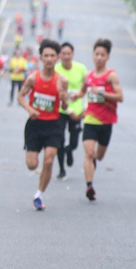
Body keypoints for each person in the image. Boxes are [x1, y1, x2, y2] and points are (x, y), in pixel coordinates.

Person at [18, 40, 68, 211]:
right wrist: (29, 109)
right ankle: (39, 187)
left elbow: (65, 106)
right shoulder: (33, 79)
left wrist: (65, 98)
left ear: (57, 58)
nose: (49, 59)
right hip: (35, 124)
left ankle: (39, 194)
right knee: (32, 165)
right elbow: (20, 97)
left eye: (52, 56)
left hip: (54, 125)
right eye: (46, 55)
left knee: (49, 160)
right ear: (40, 57)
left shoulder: (62, 80)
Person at [80, 38, 123, 201]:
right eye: (96, 54)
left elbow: (120, 97)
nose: (98, 58)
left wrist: (101, 93)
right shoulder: (87, 76)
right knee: (89, 153)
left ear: (107, 57)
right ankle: (89, 186)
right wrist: (72, 97)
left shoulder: (111, 76)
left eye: (102, 55)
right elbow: (82, 92)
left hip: (107, 120)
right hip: (91, 118)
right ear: (93, 56)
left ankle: (92, 164)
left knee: (99, 155)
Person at [54, 41, 87, 180]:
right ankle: (62, 169)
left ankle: (70, 150)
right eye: (63, 53)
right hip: (61, 110)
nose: (66, 56)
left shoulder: (81, 68)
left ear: (72, 54)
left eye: (68, 53)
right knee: (59, 140)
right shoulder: (55, 70)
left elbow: (87, 89)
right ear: (59, 55)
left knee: (74, 142)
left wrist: (85, 109)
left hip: (77, 110)